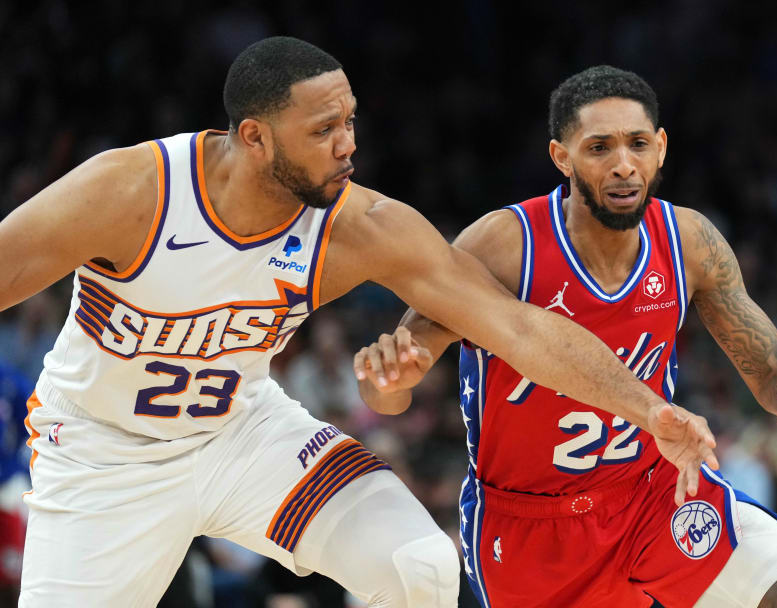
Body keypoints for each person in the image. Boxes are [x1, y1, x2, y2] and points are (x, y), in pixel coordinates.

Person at [0, 41, 722, 607]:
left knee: (419, 568)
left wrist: (649, 408)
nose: (348, 144)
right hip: (104, 453)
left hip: (241, 433)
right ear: (255, 138)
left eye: (350, 121)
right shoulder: (131, 192)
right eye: (323, 130)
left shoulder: (361, 226)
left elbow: (520, 327)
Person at [355, 65, 777, 608]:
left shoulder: (689, 241)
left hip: (656, 493)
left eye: (637, 144)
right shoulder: (505, 245)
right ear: (562, 156)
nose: (623, 164)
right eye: (599, 147)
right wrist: (390, 381)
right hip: (530, 528)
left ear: (661, 147)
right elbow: (391, 390)